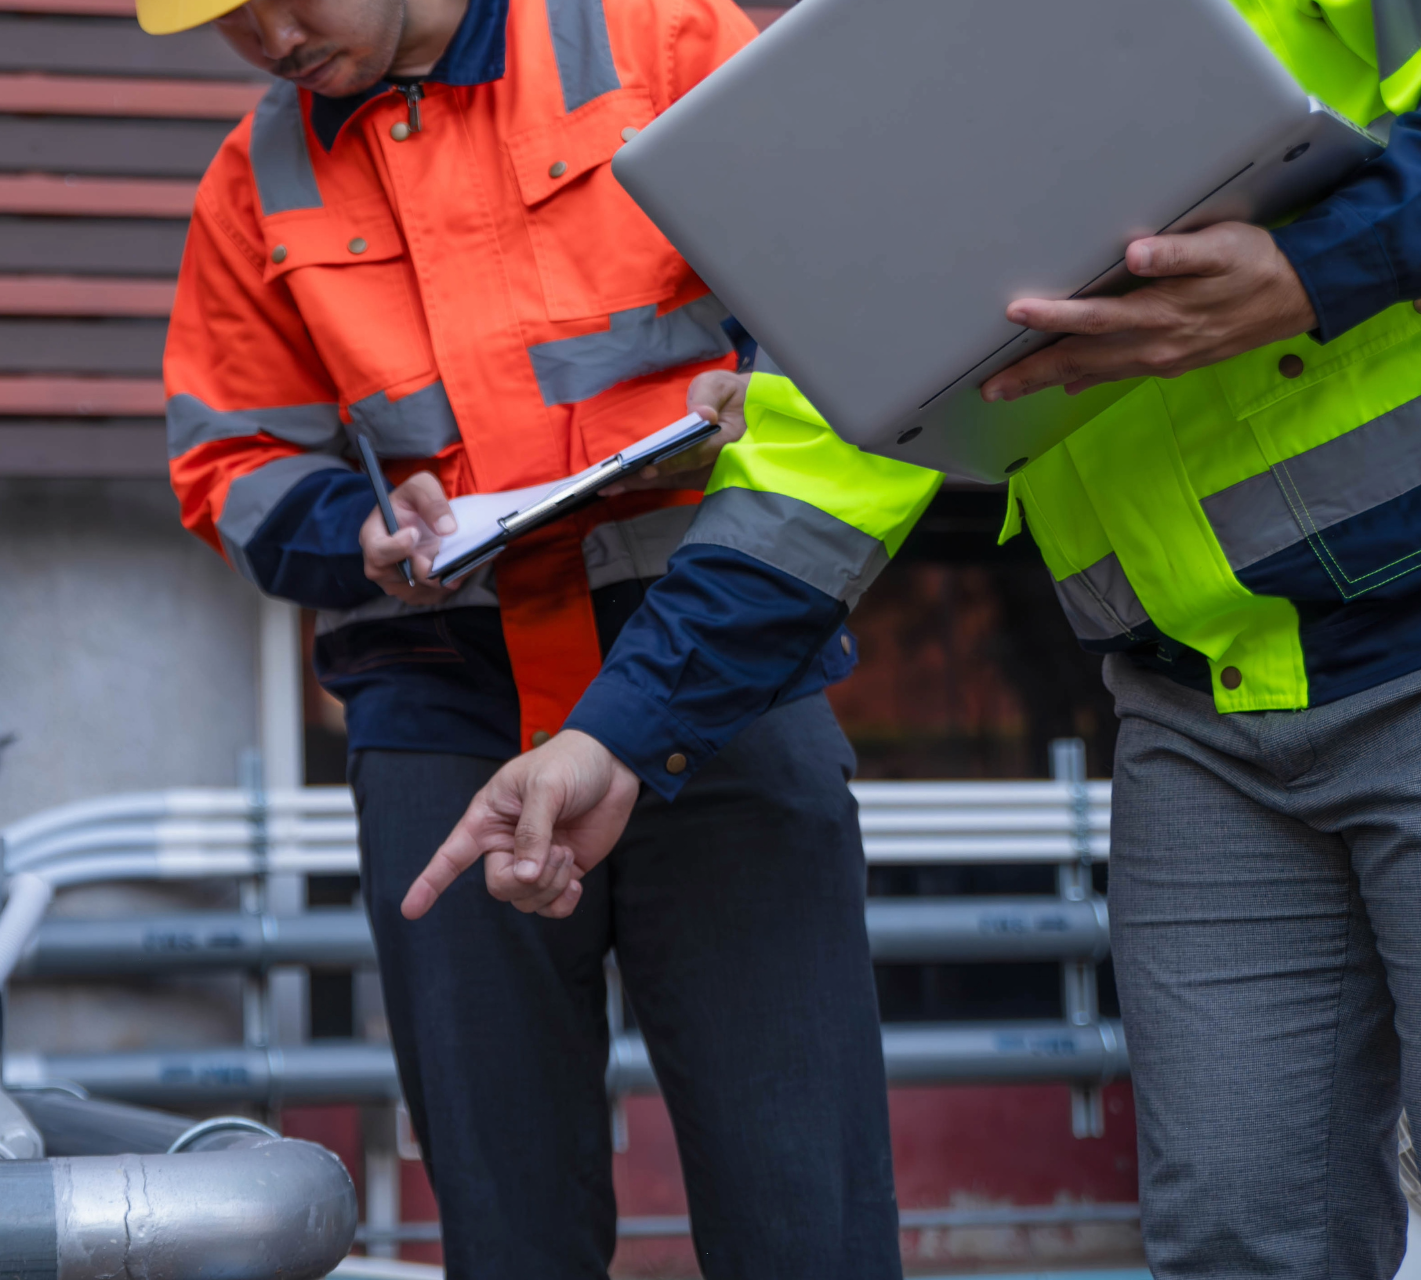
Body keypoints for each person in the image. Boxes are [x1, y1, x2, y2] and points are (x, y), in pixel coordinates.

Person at [410, 3, 1421, 1275]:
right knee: (1237, 1239)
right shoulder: (892, 74)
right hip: (1195, 714)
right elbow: (826, 452)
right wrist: (612, 736)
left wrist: (1318, 266)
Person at [138, 0, 909, 1274]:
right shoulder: (252, 179)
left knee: (803, 1203)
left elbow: (847, 274)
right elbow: (231, 460)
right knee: (508, 1225)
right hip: (445, 706)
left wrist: (761, 378)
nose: (272, 36)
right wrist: (362, 530)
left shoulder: (659, 38)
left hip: (707, 667)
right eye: (229, 20)